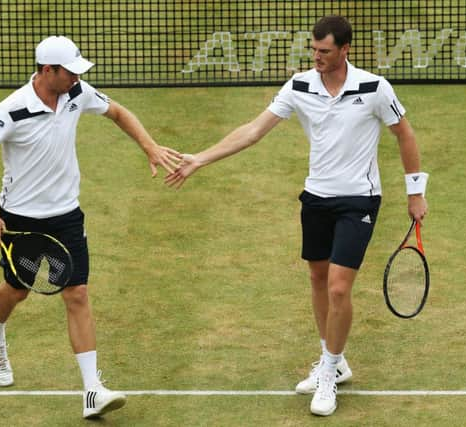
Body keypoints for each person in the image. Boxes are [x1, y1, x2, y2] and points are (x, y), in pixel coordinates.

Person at [165, 15, 428, 416]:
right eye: (314, 49)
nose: (317, 57)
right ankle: (334, 361)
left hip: (359, 199)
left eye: (325, 51)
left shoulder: (375, 87)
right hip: (316, 198)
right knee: (318, 279)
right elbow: (253, 131)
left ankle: (327, 373)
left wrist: (416, 192)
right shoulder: (299, 85)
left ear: (345, 50)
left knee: (340, 288)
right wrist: (200, 159)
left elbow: (404, 133)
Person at [0, 35, 181, 419]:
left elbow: (118, 112)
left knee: (76, 292)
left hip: (66, 216)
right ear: (48, 71)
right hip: (22, 221)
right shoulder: (10, 110)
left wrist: (148, 146)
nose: (77, 79)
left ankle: (92, 390)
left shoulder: (76, 93)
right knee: (18, 289)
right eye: (70, 72)